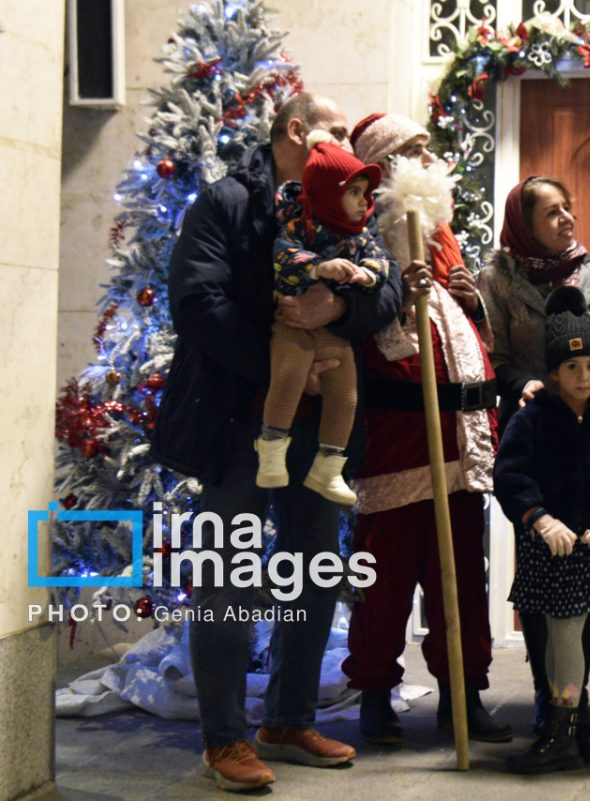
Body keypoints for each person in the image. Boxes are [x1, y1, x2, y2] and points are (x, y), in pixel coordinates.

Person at [152, 93, 403, 792]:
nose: (347, 144)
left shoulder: (347, 200)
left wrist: (338, 305)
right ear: (297, 132)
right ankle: (225, 737)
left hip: (319, 435)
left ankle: (288, 719)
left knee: (315, 568)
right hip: (237, 422)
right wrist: (290, 363)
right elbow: (199, 303)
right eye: (332, 130)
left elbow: (385, 294)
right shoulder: (229, 202)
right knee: (231, 575)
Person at [339, 112, 510, 744]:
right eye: (415, 151)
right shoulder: (363, 236)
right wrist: (390, 285)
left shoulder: (443, 236)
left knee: (461, 578)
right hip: (397, 441)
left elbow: (466, 329)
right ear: (384, 168)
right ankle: (376, 696)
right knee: (383, 581)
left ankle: (462, 696)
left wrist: (469, 299)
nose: (430, 159)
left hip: (460, 440)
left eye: (429, 149)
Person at [494, 286, 590, 773]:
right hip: (549, 548)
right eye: (571, 368)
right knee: (555, 636)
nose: (583, 377)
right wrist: (539, 518)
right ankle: (561, 724)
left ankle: (568, 726)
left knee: (575, 638)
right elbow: (510, 474)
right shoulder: (533, 419)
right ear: (552, 372)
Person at [478, 177, 590, 748]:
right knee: (541, 579)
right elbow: (496, 356)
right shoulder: (497, 278)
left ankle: (576, 703)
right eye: (551, 212)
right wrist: (527, 382)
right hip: (533, 433)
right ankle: (545, 698)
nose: (566, 219)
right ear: (523, 221)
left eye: (569, 208)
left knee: (586, 570)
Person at [257, 134, 392, 506]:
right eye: (354, 192)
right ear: (329, 194)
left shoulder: (361, 234)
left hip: (334, 331)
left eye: (366, 193)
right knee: (287, 377)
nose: (364, 201)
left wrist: (366, 274)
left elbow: (382, 264)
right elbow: (283, 257)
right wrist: (319, 267)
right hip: (293, 322)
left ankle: (328, 467)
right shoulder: (299, 225)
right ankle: (270, 450)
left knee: (345, 395)